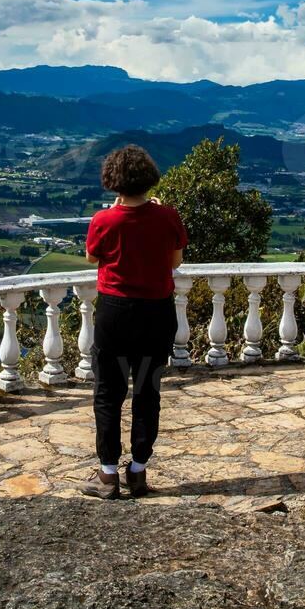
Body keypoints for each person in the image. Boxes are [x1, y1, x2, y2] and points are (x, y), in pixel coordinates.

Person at [81, 144, 187, 500]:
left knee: (108, 393)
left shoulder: (103, 220)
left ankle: (107, 474)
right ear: (149, 179)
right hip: (156, 314)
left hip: (115, 313)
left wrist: (113, 214)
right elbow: (175, 264)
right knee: (147, 390)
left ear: (113, 181)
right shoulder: (168, 217)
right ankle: (138, 470)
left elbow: (92, 256)